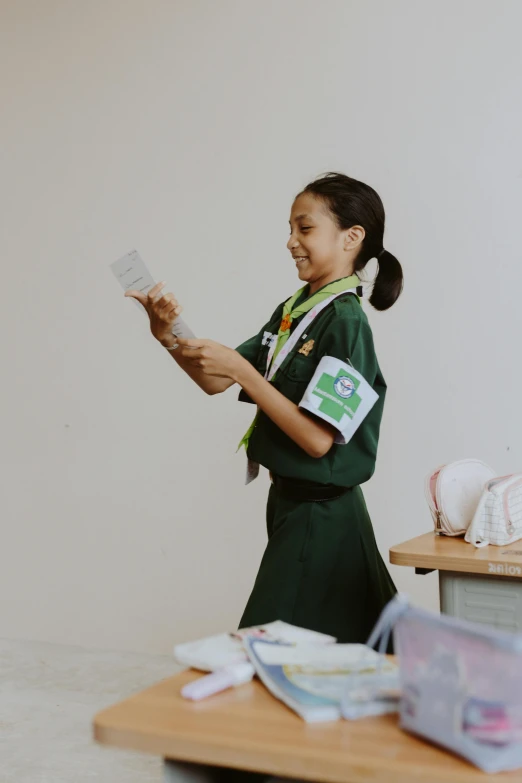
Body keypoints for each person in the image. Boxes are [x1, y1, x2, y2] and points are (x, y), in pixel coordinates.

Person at [126, 172, 403, 645]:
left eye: (305, 228)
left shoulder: (346, 322)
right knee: (354, 658)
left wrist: (243, 370)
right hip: (290, 507)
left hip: (324, 517)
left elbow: (318, 441)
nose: (291, 242)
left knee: (266, 652)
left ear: (351, 237)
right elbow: (214, 379)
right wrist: (165, 332)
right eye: (290, 229)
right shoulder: (295, 309)